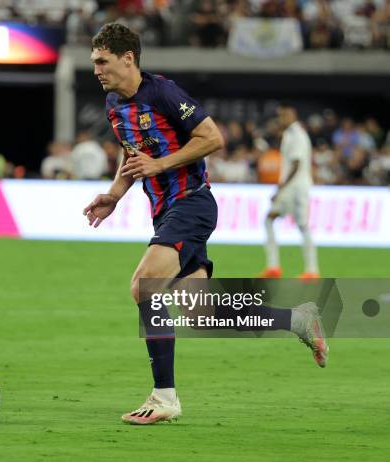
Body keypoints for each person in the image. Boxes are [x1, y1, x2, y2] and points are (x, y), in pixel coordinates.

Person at [83, 23, 328, 425]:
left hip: (192, 203)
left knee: (144, 286)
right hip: (165, 211)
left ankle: (165, 397)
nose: (96, 69)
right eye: (94, 62)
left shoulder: (162, 92)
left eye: (102, 61)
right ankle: (297, 319)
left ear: (128, 59)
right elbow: (133, 155)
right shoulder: (114, 103)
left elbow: (213, 137)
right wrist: (115, 194)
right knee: (200, 310)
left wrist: (161, 164)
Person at [261, 103, 319, 279]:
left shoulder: (298, 135)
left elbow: (297, 163)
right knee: (269, 220)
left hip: (297, 188)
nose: (281, 119)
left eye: (284, 115)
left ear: (293, 115)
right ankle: (274, 267)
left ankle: (312, 270)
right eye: (280, 115)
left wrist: (281, 187)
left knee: (302, 225)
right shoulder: (289, 134)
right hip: (291, 187)